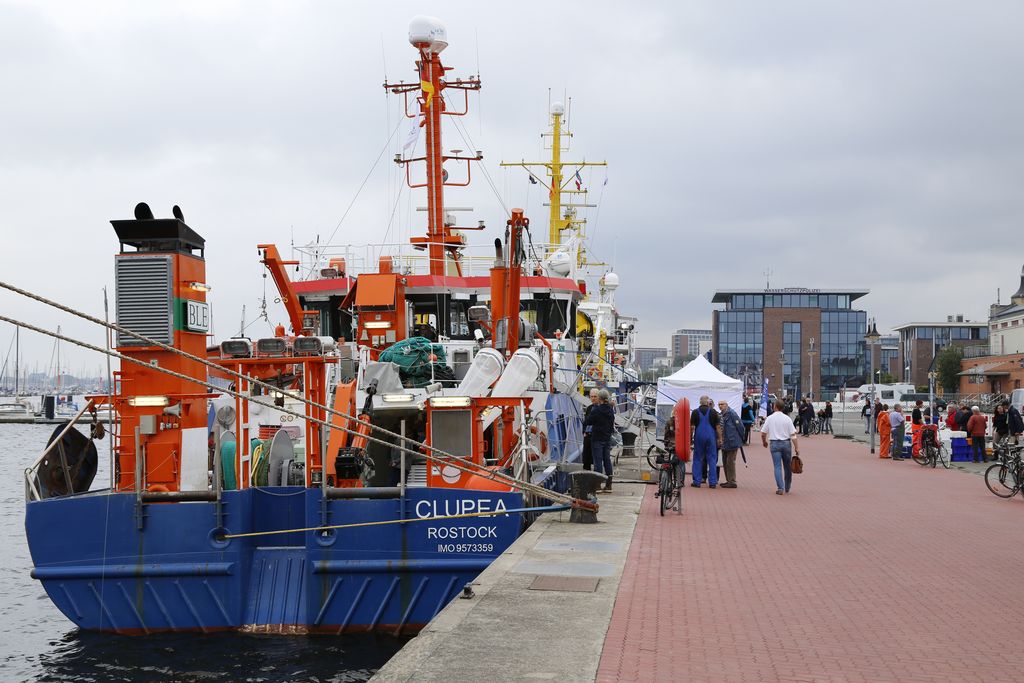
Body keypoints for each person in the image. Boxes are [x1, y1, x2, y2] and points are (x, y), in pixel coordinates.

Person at [761, 398, 800, 495]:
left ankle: (780, 488)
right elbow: (793, 435)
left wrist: (764, 442)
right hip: (786, 443)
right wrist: (797, 447)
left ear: (775, 407)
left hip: (774, 444)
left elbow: (763, 433)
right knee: (787, 466)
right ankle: (787, 486)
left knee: (777, 466)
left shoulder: (770, 418)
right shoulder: (787, 419)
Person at [584, 388, 616, 490]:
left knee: (598, 461)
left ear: (600, 398)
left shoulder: (597, 410)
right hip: (607, 438)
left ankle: (597, 484)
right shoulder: (610, 409)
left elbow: (588, 421)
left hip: (597, 438)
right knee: (607, 460)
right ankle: (609, 484)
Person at [690, 395, 720, 488]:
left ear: (700, 402)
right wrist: (720, 438)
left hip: (699, 437)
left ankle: (697, 481)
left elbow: (692, 427)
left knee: (698, 458)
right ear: (708, 402)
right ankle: (712, 482)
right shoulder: (714, 412)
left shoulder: (695, 412)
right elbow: (718, 427)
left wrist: (690, 438)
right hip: (711, 437)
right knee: (712, 459)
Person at [718, 400, 744, 488]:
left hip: (732, 441)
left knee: (730, 462)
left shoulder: (732, 413)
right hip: (725, 442)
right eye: (719, 405)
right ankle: (728, 480)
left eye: (722, 404)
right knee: (725, 461)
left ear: (726, 405)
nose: (720, 406)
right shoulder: (721, 414)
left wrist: (740, 438)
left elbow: (740, 426)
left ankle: (732, 481)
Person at [581, 389, 599, 470]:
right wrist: (584, 432)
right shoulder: (589, 408)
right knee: (586, 455)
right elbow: (585, 422)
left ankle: (596, 474)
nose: (593, 398)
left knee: (596, 456)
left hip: (596, 435)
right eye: (591, 397)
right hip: (588, 435)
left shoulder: (600, 408)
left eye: (595, 396)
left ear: (598, 397)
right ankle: (586, 471)